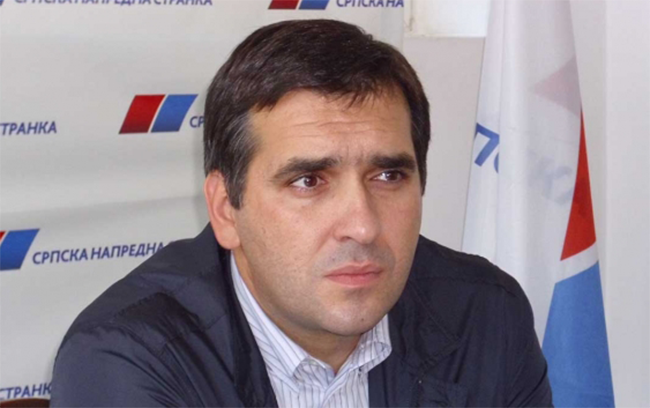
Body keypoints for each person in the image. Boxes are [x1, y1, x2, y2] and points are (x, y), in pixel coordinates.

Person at [51, 19, 552, 408]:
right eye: (309, 181)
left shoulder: (486, 316)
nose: (362, 225)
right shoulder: (129, 358)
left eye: (387, 176)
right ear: (226, 209)